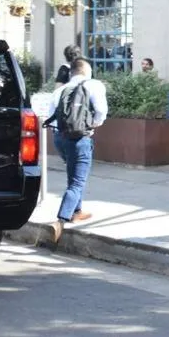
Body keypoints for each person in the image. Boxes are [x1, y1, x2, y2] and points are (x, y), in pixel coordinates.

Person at [47, 58, 108, 236]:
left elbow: (50, 116)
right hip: (80, 138)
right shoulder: (94, 85)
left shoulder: (60, 90)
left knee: (73, 174)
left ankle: (77, 211)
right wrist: (92, 125)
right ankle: (61, 220)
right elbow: (101, 112)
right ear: (86, 70)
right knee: (77, 182)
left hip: (59, 138)